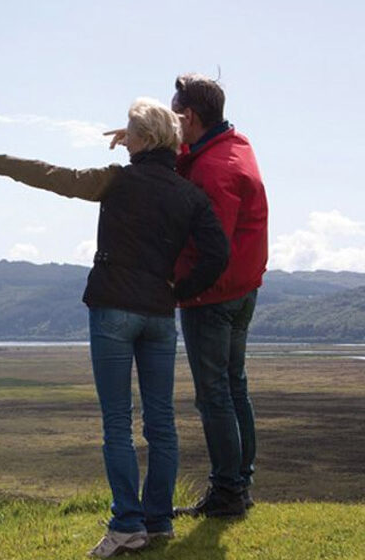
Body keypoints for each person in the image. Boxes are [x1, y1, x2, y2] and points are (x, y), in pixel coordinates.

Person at [0, 98, 229, 558]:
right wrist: (180, 290)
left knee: (117, 424)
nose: (122, 139)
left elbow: (58, 177)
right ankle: (158, 521)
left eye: (129, 133)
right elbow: (217, 254)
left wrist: (0, 163)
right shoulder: (189, 194)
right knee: (162, 424)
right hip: (161, 315)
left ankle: (127, 525)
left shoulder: (117, 180)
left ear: (142, 140)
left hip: (112, 311)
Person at [109, 75, 268, 517]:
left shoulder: (215, 171)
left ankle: (228, 493)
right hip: (241, 289)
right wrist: (147, 139)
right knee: (234, 388)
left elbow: (208, 245)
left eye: (174, 111)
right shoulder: (231, 147)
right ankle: (240, 482)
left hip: (213, 297)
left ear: (188, 116)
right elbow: (190, 156)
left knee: (215, 394)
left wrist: (180, 290)